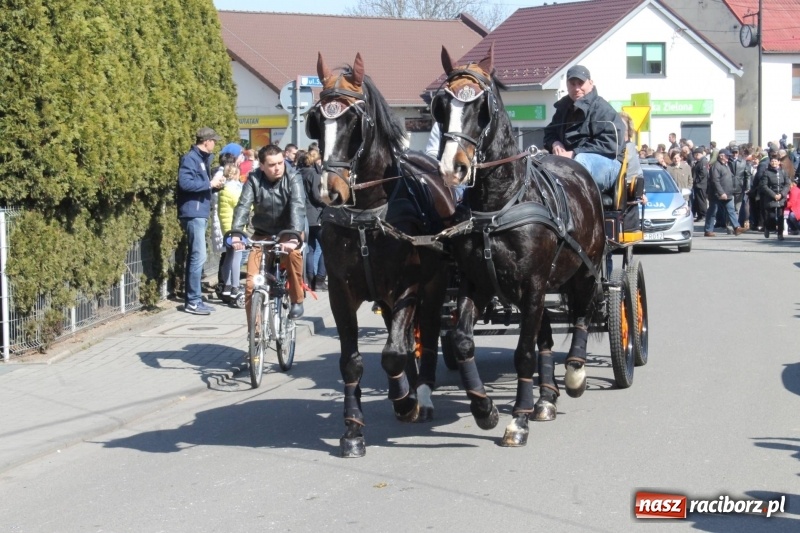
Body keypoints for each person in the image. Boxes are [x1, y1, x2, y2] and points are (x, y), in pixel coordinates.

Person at [231, 144, 307, 321]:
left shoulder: (293, 176)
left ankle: (297, 299)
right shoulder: (254, 179)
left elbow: (297, 205)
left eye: (280, 163)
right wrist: (236, 233)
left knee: (294, 256)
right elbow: (243, 205)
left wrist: (294, 235)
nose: (278, 168)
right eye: (272, 165)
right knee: (251, 283)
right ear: (262, 166)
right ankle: (255, 334)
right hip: (262, 234)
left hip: (288, 233)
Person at [543, 65, 624, 192]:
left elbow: (611, 144)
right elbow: (550, 131)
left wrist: (574, 153)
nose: (577, 88)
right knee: (538, 162)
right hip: (569, 161)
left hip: (608, 165)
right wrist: (555, 143)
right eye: (572, 83)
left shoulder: (603, 109)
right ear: (567, 85)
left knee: (580, 161)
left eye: (581, 83)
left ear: (591, 83)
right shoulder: (563, 108)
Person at [177, 127, 226, 315]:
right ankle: (193, 301)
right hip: (193, 213)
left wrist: (214, 187)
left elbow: (198, 186)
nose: (215, 144)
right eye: (213, 141)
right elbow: (185, 183)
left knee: (198, 257)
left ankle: (195, 299)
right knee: (198, 257)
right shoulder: (191, 159)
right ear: (206, 141)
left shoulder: (201, 160)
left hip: (199, 212)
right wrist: (209, 184)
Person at [217, 158, 248, 305]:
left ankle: (227, 285)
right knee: (237, 257)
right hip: (235, 228)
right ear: (235, 175)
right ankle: (235, 286)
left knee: (229, 256)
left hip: (227, 227)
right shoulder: (232, 189)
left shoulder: (224, 189)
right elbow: (243, 204)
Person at [298, 150, 327, 291]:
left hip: (304, 216)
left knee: (309, 248)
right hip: (316, 215)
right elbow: (317, 196)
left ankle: (309, 279)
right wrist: (328, 204)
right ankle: (320, 280)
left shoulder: (298, 173)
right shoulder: (313, 174)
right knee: (327, 248)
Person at [703, 149, 745, 237]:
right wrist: (721, 193)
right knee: (712, 212)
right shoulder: (716, 166)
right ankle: (708, 230)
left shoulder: (726, 165)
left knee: (731, 211)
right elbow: (715, 181)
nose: (728, 157)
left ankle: (736, 228)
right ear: (721, 156)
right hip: (717, 195)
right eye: (727, 156)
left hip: (728, 193)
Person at [759, 151, 791, 239]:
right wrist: (773, 195)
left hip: (781, 197)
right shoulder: (766, 172)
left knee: (780, 216)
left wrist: (782, 194)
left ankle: (780, 233)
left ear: (779, 162)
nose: (774, 163)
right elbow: (764, 186)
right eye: (772, 161)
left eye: (776, 161)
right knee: (771, 216)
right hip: (770, 197)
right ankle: (768, 228)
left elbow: (787, 184)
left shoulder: (783, 172)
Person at [691, 147, 709, 221]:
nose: (695, 156)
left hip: (701, 185)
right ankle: (699, 215)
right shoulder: (699, 161)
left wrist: (696, 180)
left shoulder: (703, 161)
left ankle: (703, 215)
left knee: (701, 201)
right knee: (698, 201)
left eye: (696, 155)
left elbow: (703, 173)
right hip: (698, 184)